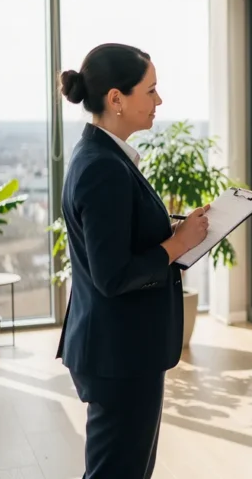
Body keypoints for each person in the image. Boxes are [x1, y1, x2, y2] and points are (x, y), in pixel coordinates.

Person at [55, 43, 210, 479]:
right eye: (151, 90)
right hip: (117, 352)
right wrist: (177, 244)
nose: (159, 101)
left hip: (120, 348)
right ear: (116, 99)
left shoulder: (106, 157)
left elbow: (121, 241)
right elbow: (113, 274)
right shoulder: (103, 167)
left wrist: (182, 234)